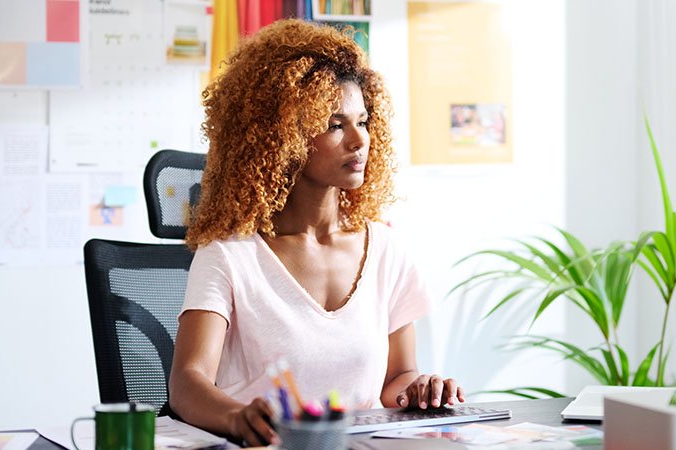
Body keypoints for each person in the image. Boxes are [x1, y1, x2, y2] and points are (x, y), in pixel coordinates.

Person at [170, 20, 464, 447]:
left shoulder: (386, 250)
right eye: (334, 124)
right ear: (282, 135)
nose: (359, 139)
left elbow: (397, 377)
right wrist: (237, 418)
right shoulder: (229, 256)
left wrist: (417, 390)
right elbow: (187, 382)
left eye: (362, 120)